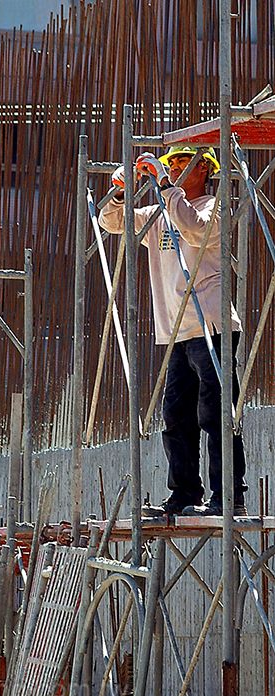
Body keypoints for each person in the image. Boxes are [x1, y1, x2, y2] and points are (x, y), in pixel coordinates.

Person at [99, 144, 247, 517]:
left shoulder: (213, 208)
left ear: (205, 171)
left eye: (186, 162)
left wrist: (165, 184)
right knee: (176, 416)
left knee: (215, 415)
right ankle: (184, 493)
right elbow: (111, 222)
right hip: (176, 332)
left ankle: (228, 496)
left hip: (210, 324)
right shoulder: (158, 213)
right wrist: (122, 189)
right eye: (173, 163)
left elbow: (195, 232)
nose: (178, 167)